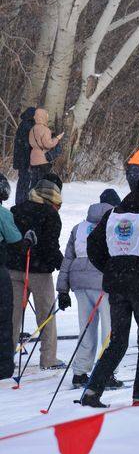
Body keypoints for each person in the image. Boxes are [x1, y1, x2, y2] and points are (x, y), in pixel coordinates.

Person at [82, 172, 139, 407]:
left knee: (118, 341)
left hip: (118, 286)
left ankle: (92, 391)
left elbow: (93, 246)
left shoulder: (111, 215)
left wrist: (111, 267)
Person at [56, 195, 118, 388]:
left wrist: (62, 289)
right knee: (109, 330)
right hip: (103, 283)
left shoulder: (79, 228)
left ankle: (80, 373)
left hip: (79, 283)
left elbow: (67, 259)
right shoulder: (113, 225)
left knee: (86, 329)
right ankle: (106, 373)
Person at [9, 178, 64, 370]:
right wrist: (61, 264)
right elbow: (50, 246)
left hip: (13, 269)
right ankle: (48, 359)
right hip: (39, 273)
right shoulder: (51, 214)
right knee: (46, 315)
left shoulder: (17, 210)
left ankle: (6, 358)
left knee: (11, 316)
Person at [0, 173, 25, 380]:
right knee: (3, 318)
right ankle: (3, 366)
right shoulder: (2, 214)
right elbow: (16, 242)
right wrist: (28, 241)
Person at [26, 108, 63, 197]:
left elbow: (31, 143)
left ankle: (31, 198)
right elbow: (48, 144)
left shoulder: (32, 129)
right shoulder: (45, 130)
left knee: (34, 182)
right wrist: (57, 138)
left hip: (33, 158)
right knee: (43, 182)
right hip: (43, 159)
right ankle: (40, 200)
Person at [13, 108, 36, 205]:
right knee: (25, 183)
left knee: (22, 182)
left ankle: (20, 203)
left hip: (22, 159)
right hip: (26, 160)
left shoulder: (23, 124)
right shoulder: (29, 126)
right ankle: (22, 204)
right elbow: (29, 145)